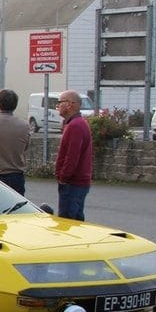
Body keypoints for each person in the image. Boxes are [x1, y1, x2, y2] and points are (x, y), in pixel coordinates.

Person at [54, 90, 93, 220]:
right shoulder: (74, 124)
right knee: (75, 218)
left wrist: (63, 177)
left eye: (60, 102)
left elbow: (72, 156)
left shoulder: (75, 125)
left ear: (70, 104)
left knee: (69, 222)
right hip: (75, 182)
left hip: (73, 183)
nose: (57, 106)